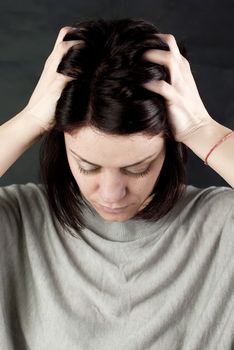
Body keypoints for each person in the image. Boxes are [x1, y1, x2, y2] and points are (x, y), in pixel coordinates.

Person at [0, 17, 233, 350]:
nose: (111, 193)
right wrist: (31, 119)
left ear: (169, 147)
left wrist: (202, 129)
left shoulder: (221, 225)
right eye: (87, 166)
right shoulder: (17, 221)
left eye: (138, 168)